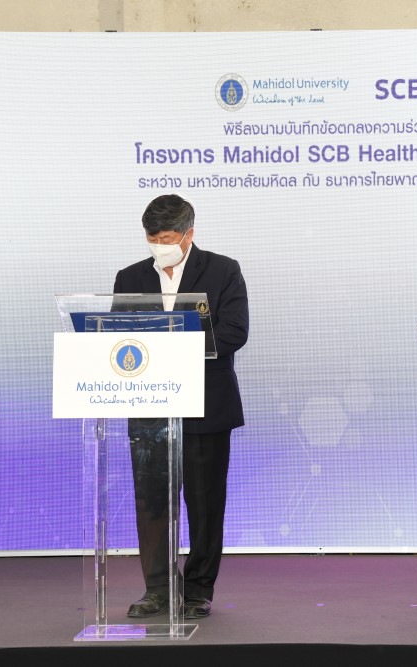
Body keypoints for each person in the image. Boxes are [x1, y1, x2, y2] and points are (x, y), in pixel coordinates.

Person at [113, 194, 248, 619]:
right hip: (150, 406)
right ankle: (158, 588)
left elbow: (235, 332)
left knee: (205, 504)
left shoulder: (223, 270)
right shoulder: (130, 277)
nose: (159, 245)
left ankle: (197, 589)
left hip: (206, 404)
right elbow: (118, 336)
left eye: (167, 238)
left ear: (189, 234)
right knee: (153, 503)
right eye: (152, 237)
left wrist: (175, 347)